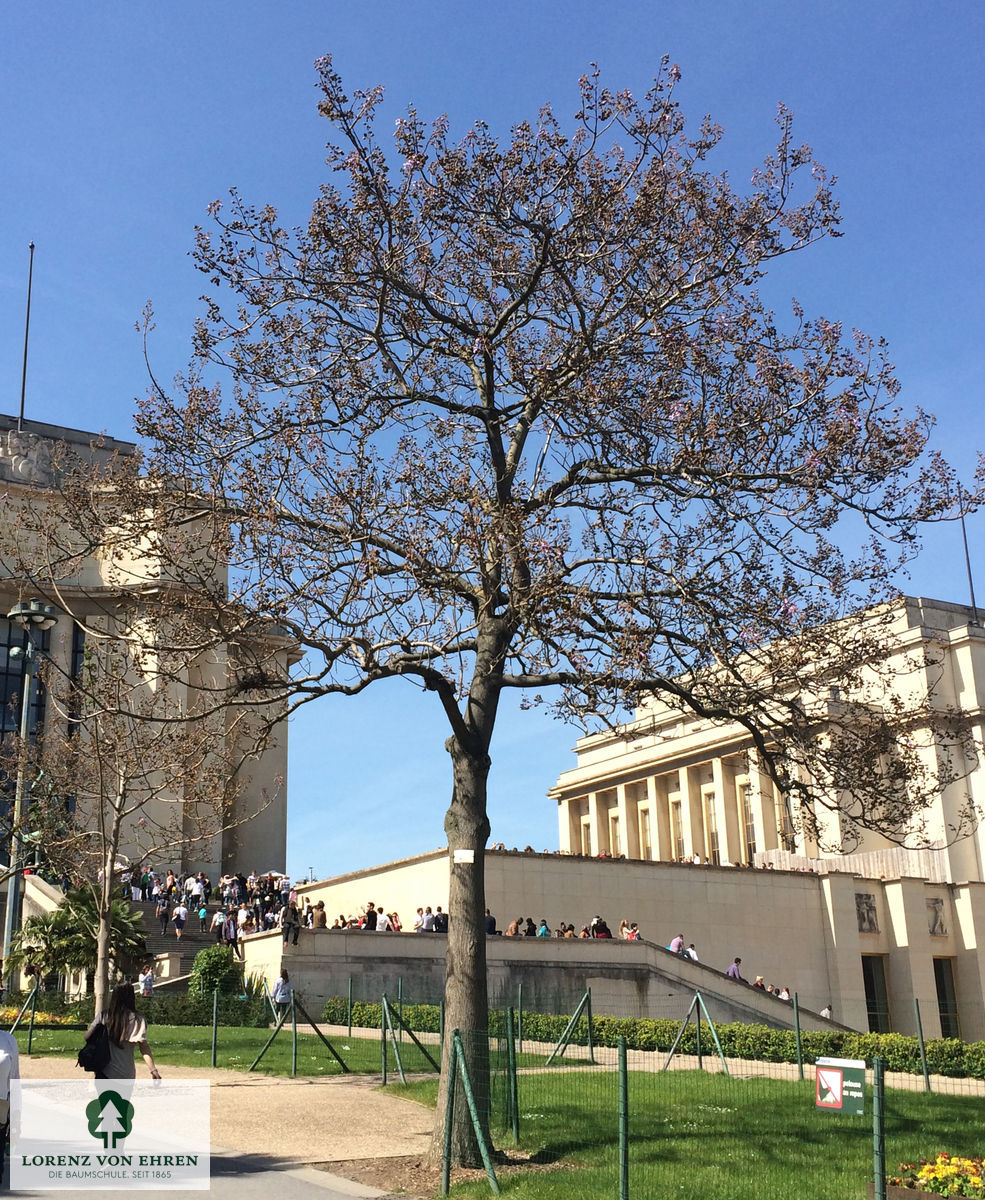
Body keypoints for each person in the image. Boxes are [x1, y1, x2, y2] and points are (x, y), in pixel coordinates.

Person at [84, 983, 160, 1081]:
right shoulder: (138, 1020)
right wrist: (153, 1070)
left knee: (104, 1096)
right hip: (126, 1073)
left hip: (104, 1071)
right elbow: (144, 1048)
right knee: (123, 1097)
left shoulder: (104, 1016)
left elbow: (87, 1037)